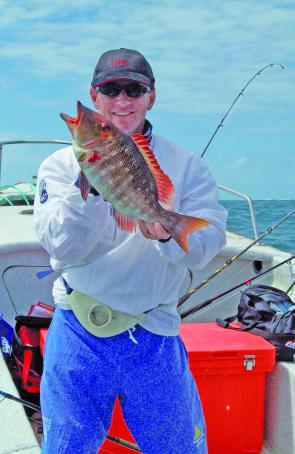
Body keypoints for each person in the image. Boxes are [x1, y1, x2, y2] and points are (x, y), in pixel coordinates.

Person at [34, 48, 227, 454]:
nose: (122, 100)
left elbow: (207, 242)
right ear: (95, 94)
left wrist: (165, 233)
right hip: (77, 330)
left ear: (150, 97)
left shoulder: (186, 165)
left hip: (154, 334)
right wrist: (87, 191)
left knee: (177, 448)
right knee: (66, 447)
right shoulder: (58, 164)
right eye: (110, 89)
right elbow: (63, 247)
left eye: (134, 89)